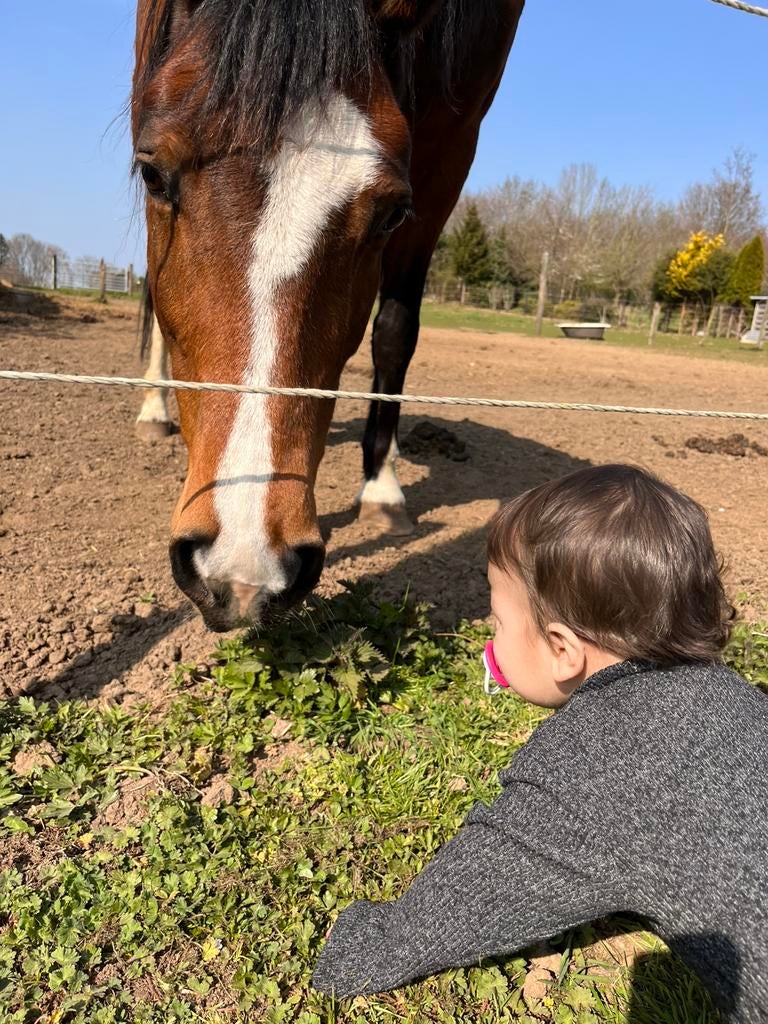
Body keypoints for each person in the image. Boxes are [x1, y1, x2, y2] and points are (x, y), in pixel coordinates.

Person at [311, 464, 768, 1022]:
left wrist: (356, 944)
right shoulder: (743, 700)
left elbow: (437, 920)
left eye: (498, 620)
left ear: (562, 648)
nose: (492, 635)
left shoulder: (591, 766)